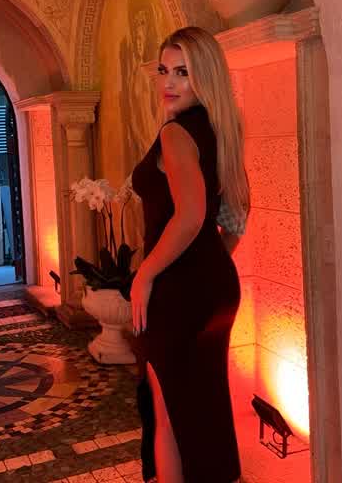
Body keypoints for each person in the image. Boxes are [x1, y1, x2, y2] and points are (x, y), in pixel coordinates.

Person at [130, 26, 249, 483]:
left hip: (176, 292)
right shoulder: (222, 129)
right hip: (214, 288)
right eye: (164, 70)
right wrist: (210, 262)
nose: (169, 82)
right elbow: (237, 212)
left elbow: (191, 216)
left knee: (170, 417)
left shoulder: (177, 133)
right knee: (203, 412)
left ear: (206, 76)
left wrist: (145, 275)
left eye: (183, 72)